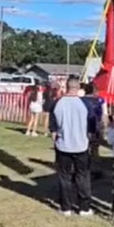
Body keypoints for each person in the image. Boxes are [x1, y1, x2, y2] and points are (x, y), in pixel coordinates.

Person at [50, 86, 92, 216]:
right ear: (77, 88)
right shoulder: (85, 103)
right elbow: (91, 125)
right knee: (83, 175)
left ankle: (66, 207)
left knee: (64, 177)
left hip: (63, 145)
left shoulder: (57, 103)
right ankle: (84, 207)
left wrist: (55, 142)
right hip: (81, 145)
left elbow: (53, 128)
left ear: (66, 88)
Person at [81, 83, 105, 179]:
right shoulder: (100, 100)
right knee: (95, 149)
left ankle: (84, 168)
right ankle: (96, 169)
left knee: (84, 149)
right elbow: (104, 114)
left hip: (84, 126)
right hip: (96, 125)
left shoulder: (81, 100)